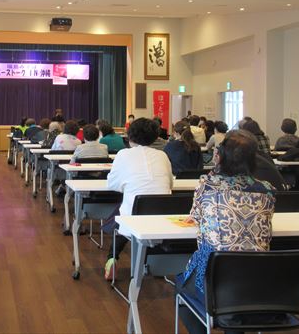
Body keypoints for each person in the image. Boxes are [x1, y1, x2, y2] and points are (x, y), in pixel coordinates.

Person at [176, 130, 276, 334]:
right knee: (235, 298)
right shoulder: (267, 189)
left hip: (214, 277)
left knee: (181, 287)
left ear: (219, 156)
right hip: (259, 278)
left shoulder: (208, 185)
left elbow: (196, 215)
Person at [104, 118, 173, 279]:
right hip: (164, 216)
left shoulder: (123, 154)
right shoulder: (162, 155)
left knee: (122, 215)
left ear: (129, 136)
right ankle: (153, 262)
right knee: (130, 211)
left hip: (135, 216)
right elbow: (170, 184)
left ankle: (112, 258)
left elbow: (112, 184)